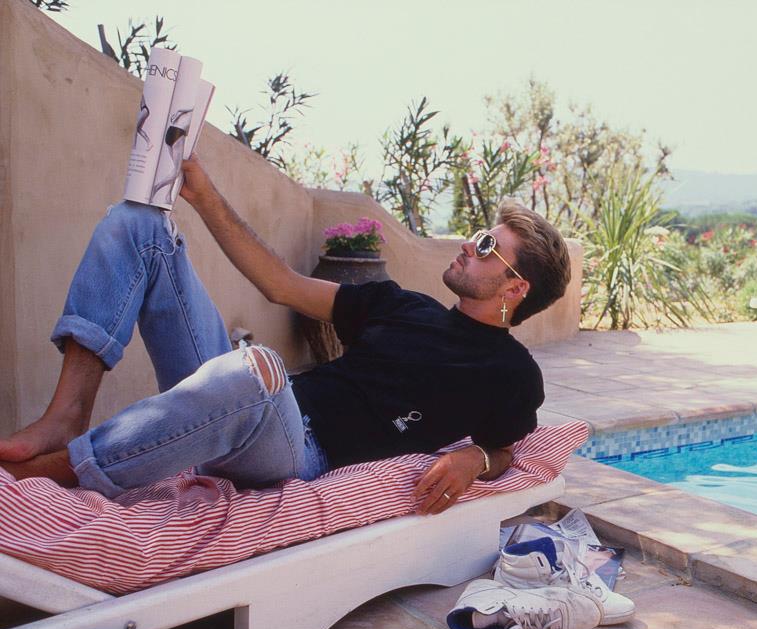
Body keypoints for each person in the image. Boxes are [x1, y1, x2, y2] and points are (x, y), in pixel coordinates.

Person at [0, 155, 572, 515]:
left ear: (514, 289)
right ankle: (68, 413)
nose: (470, 244)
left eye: (489, 247)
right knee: (141, 225)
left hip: (299, 451)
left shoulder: (511, 373)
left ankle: (46, 475)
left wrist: (476, 457)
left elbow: (507, 448)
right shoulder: (401, 305)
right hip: (246, 404)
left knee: (255, 370)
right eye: (479, 233)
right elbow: (280, 283)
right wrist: (204, 197)